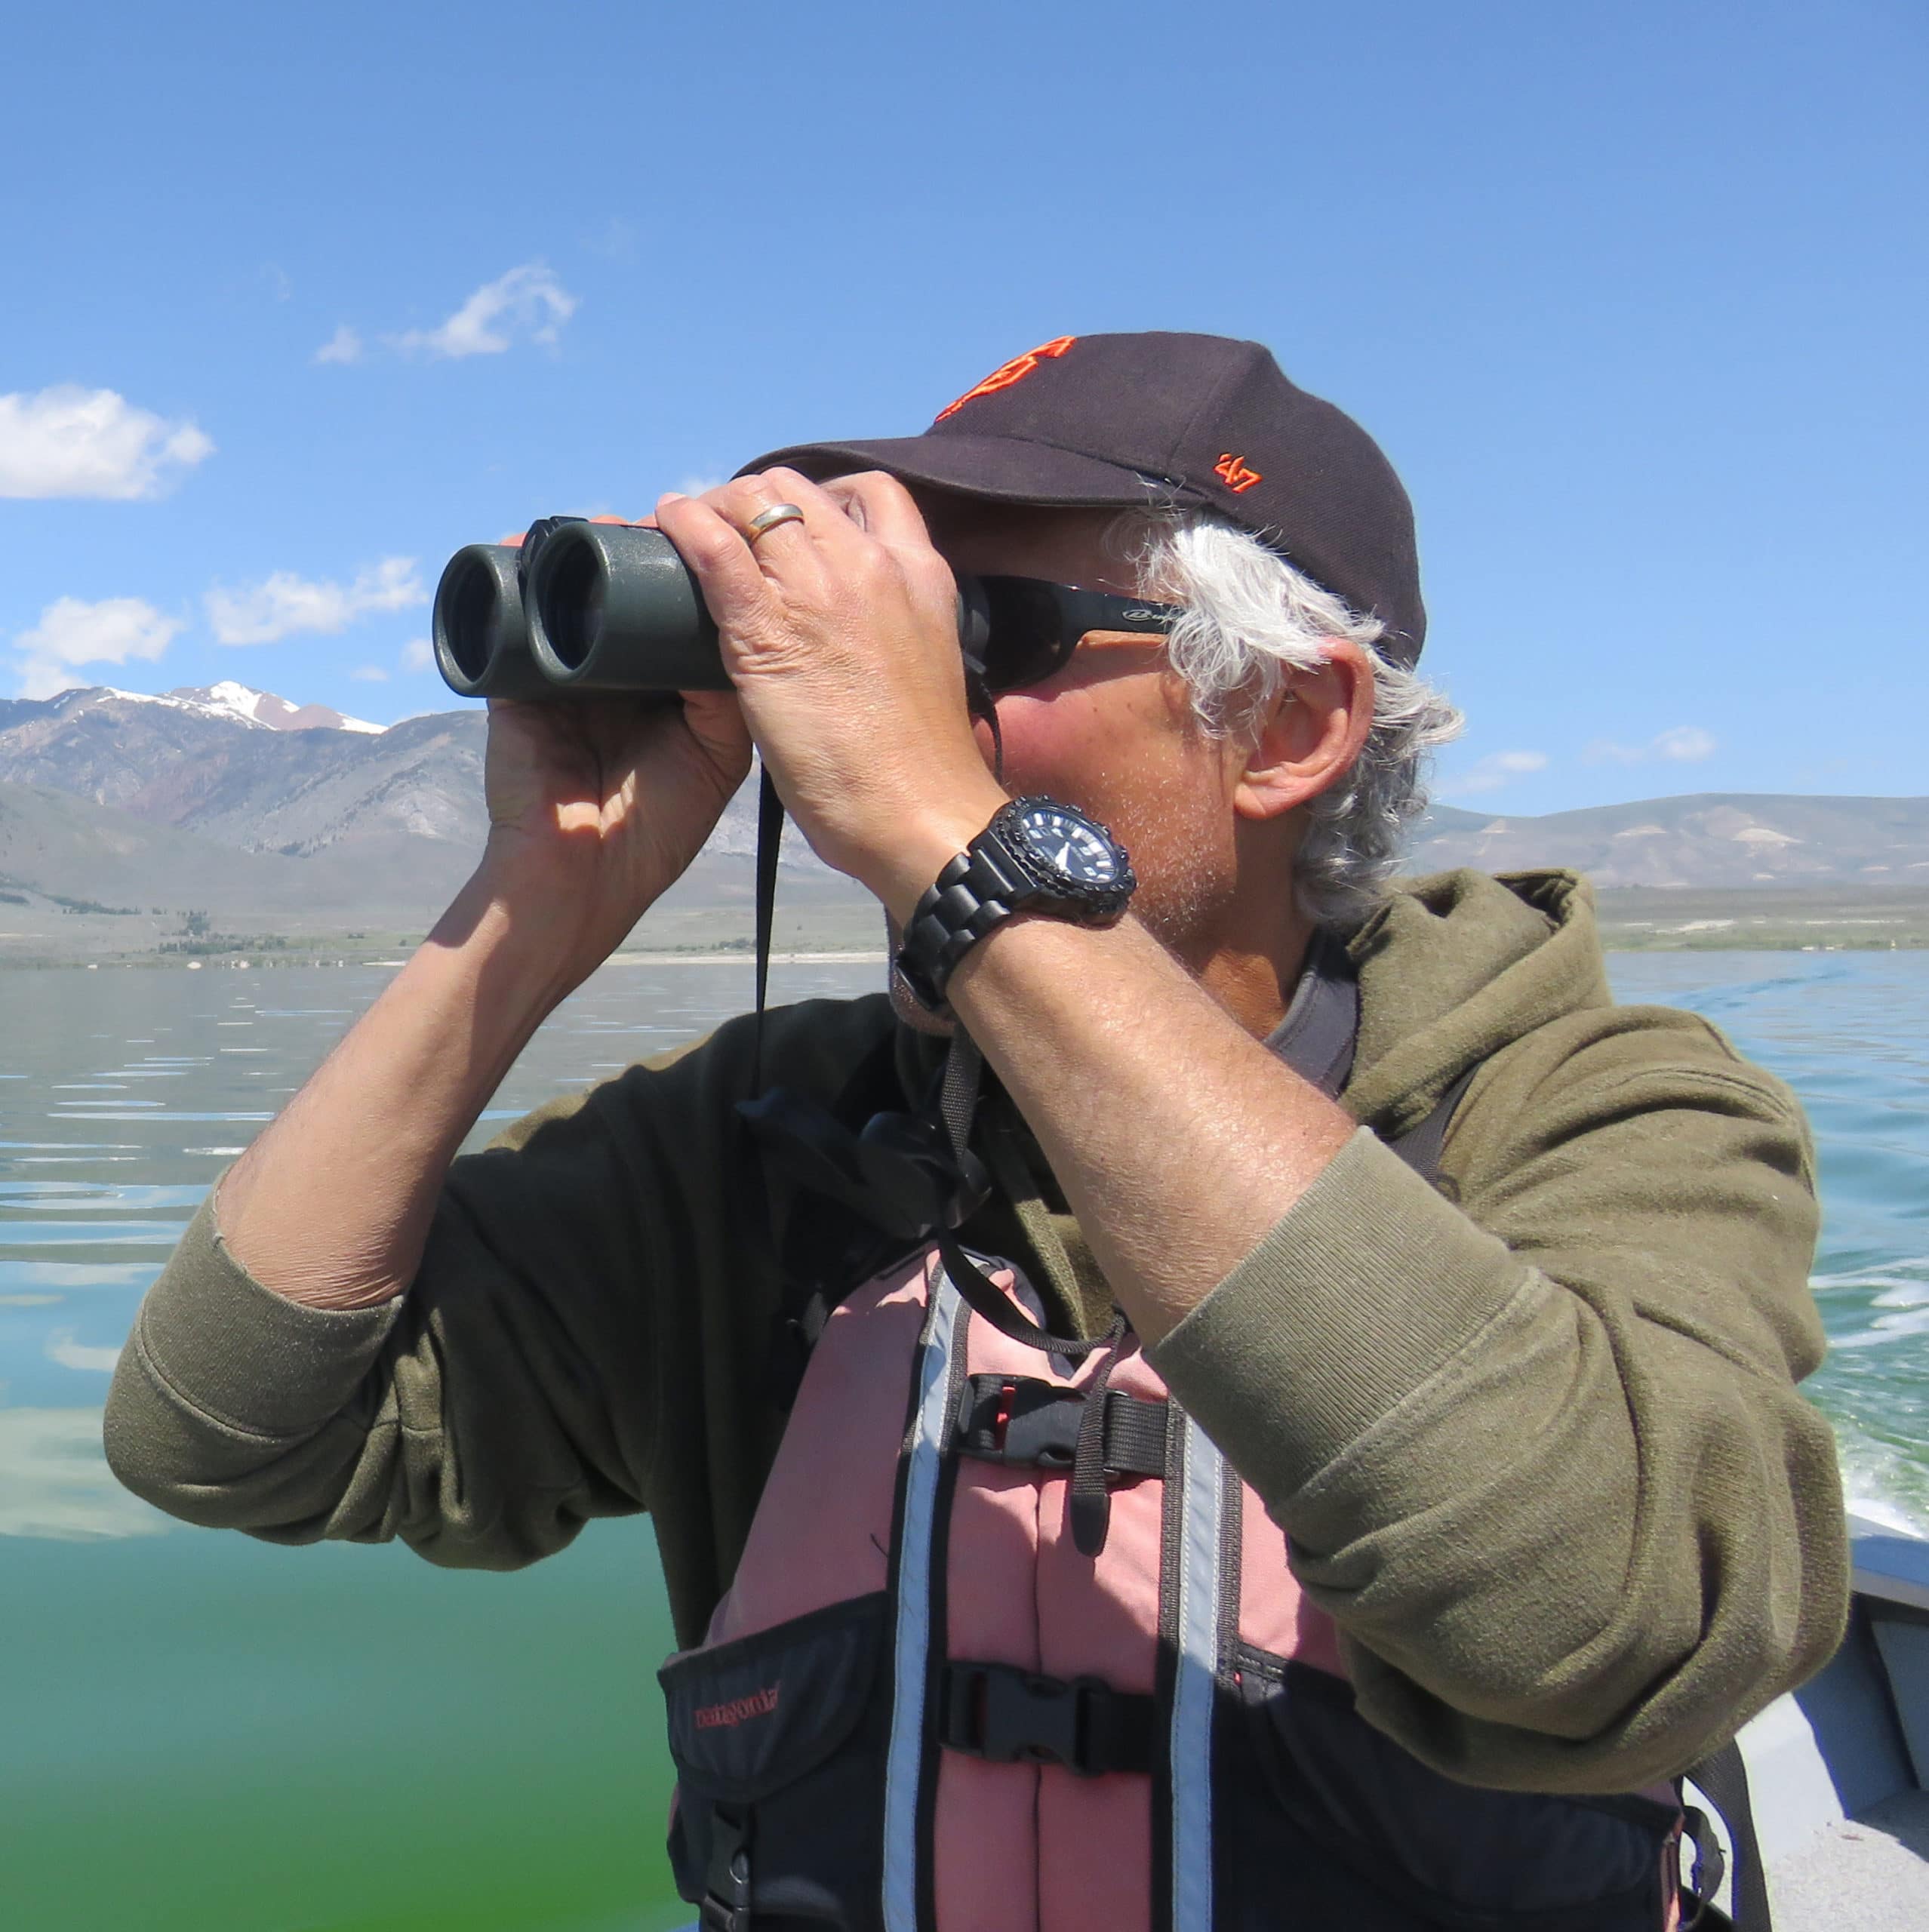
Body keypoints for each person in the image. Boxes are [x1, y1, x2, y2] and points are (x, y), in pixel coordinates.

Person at [105, 333, 1847, 1928]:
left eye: (974, 642)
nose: (864, 713)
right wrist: (535, 902)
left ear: (1290, 724)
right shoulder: (774, 1138)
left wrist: (949, 838)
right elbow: (226, 1430)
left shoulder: (1602, 1109)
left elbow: (1607, 1616)